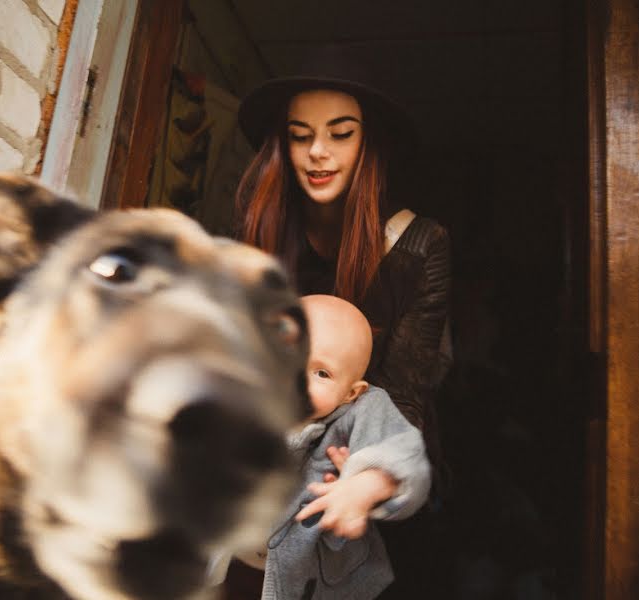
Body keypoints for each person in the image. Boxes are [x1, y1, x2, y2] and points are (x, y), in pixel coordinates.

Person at [231, 47, 452, 598]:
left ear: (367, 143)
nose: (318, 152)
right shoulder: (260, 232)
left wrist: (361, 480)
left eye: (341, 133)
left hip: (354, 480)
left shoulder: (418, 245)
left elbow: (406, 393)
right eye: (301, 135)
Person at [250, 294, 430, 600]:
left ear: (351, 392)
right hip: (240, 561)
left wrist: (367, 485)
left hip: (311, 580)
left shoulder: (363, 409)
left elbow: (407, 456)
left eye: (321, 373)